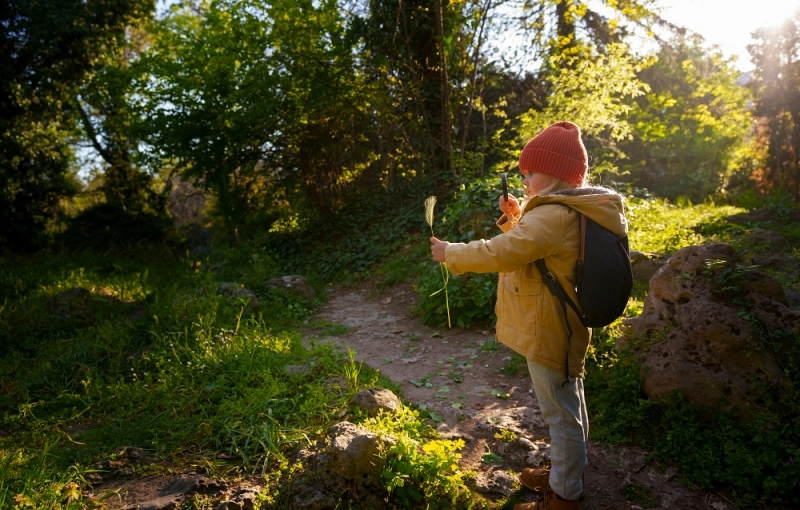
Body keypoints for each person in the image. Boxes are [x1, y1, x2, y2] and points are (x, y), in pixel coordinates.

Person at [430, 121, 628, 510]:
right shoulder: (566, 210)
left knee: (560, 411)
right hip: (560, 323)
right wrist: (516, 216)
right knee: (567, 404)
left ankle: (565, 494)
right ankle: (564, 472)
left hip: (550, 327)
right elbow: (535, 246)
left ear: (553, 173)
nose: (523, 178)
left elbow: (504, 252)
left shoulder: (554, 216)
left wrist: (452, 252)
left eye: (530, 172)